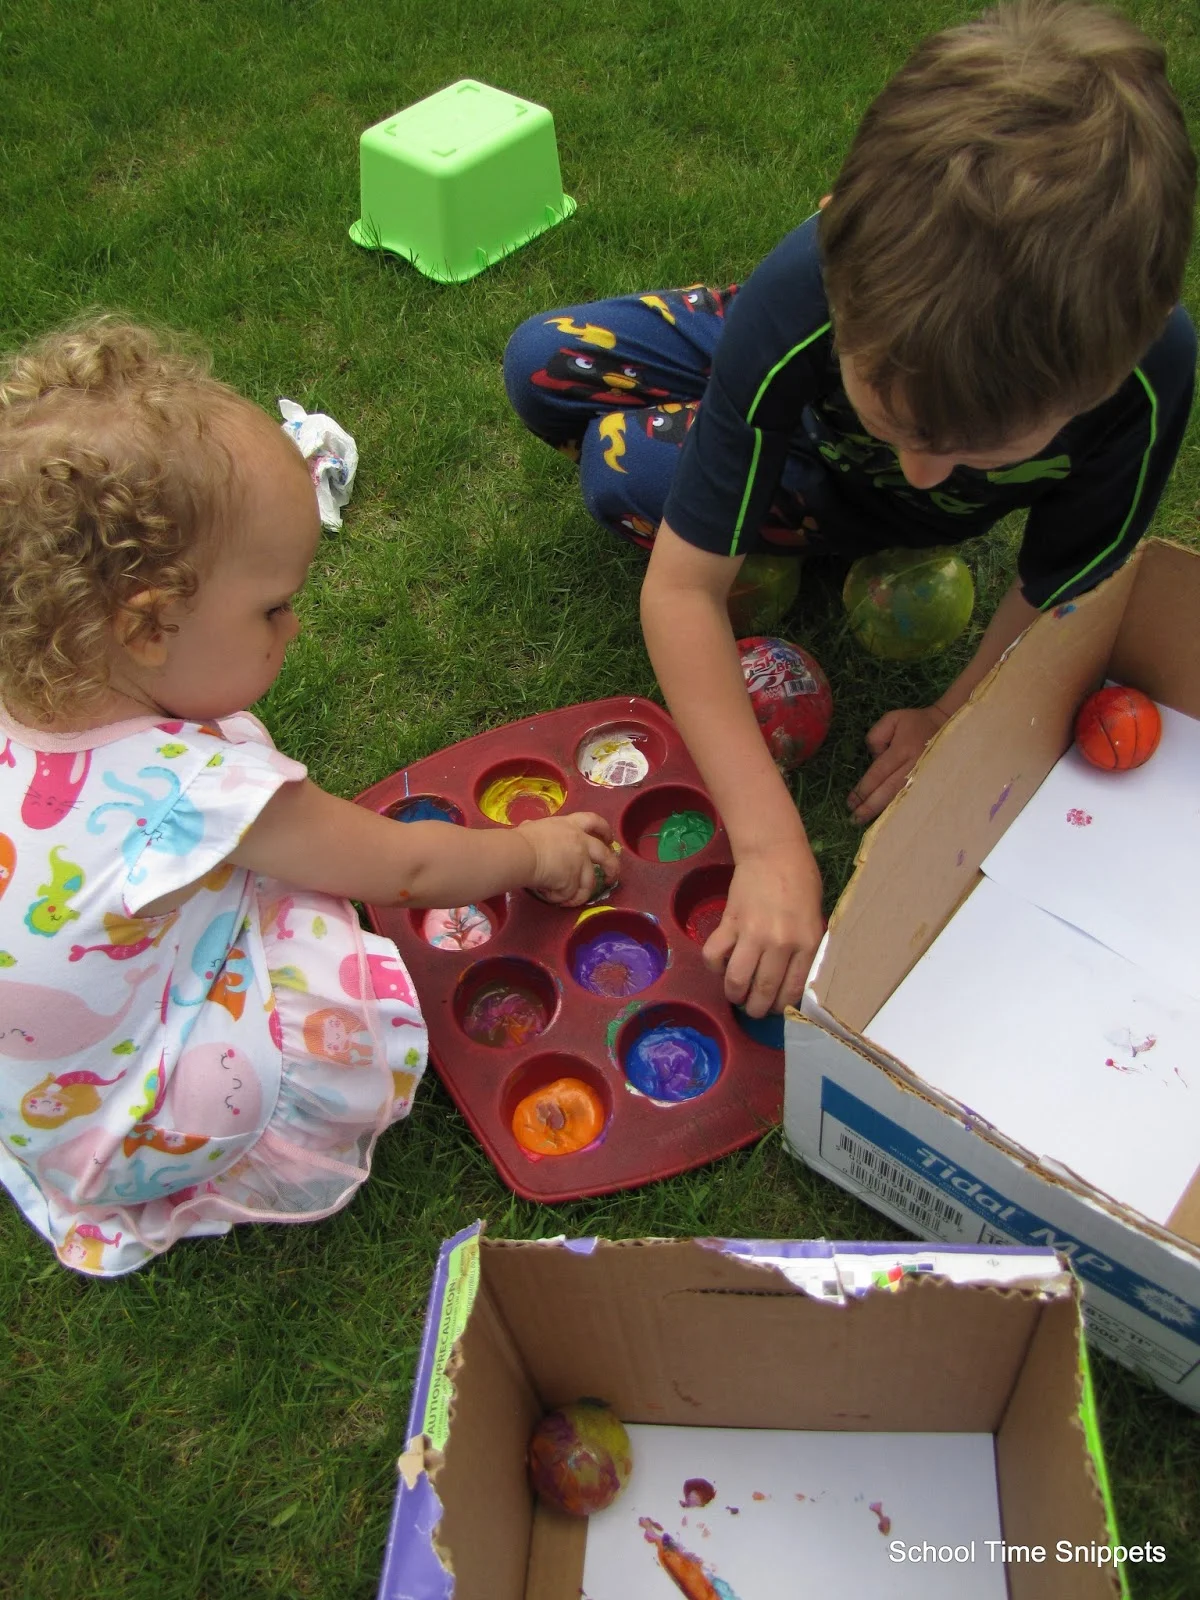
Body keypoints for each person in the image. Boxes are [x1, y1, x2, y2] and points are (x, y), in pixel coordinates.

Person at [503, 0, 1197, 1020]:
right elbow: (685, 591)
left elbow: (1061, 588)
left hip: (841, 479)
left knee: (617, 470)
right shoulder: (811, 283)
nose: (928, 470)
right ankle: (747, 428)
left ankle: (771, 478)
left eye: (975, 452)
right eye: (904, 424)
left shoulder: (1147, 377)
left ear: (1100, 375)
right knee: (542, 365)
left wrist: (953, 719)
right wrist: (772, 839)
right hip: (793, 367)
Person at [0, 317, 618, 1276]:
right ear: (150, 626)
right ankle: (226, 1132)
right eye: (272, 607)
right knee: (326, 942)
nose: (294, 627)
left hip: (36, 1104)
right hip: (136, 1119)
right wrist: (537, 854)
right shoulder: (197, 793)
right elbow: (405, 866)